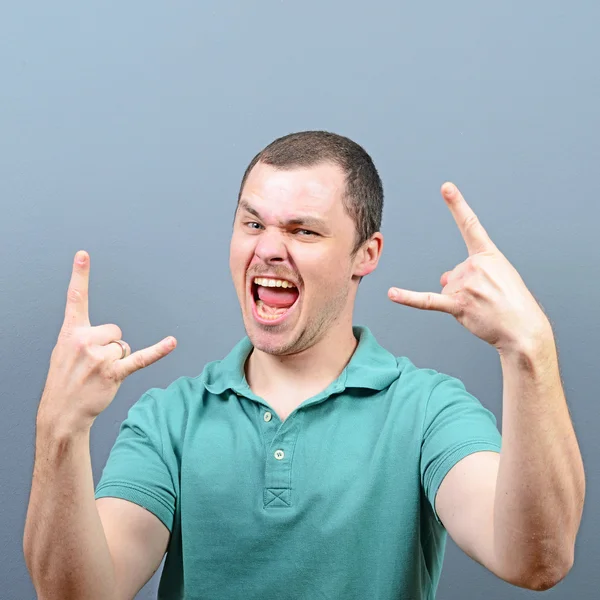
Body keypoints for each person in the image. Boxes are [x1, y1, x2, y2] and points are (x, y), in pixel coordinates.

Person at [24, 131, 585, 600]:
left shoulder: (428, 411)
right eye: (253, 224)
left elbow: (537, 560)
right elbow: (79, 594)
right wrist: (59, 431)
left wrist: (530, 351)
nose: (269, 249)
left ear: (366, 253)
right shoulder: (168, 419)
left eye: (303, 231)